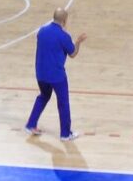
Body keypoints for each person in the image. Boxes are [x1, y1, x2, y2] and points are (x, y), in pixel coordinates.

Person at [25, 8, 88, 141]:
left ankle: (31, 124)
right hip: (57, 76)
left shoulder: (42, 31)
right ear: (64, 21)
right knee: (63, 103)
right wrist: (78, 42)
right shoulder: (64, 36)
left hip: (41, 73)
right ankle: (65, 134)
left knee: (43, 96)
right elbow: (72, 54)